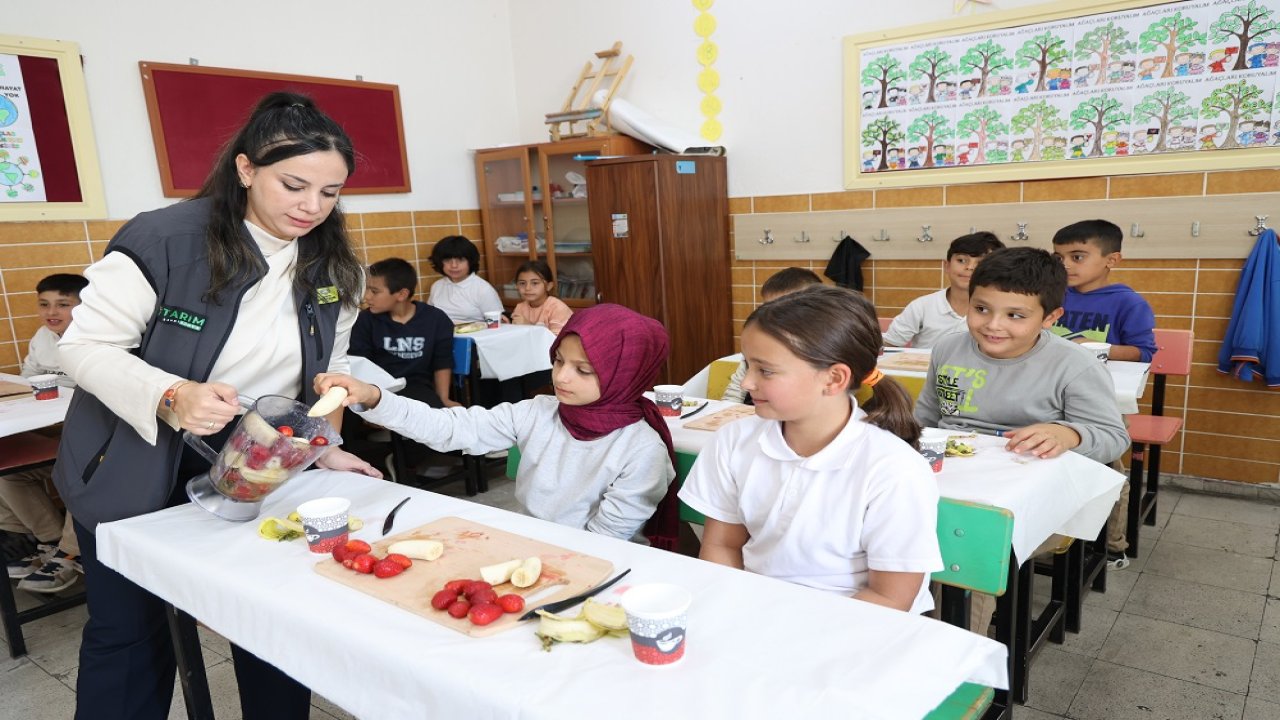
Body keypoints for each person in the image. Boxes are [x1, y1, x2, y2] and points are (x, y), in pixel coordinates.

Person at [52, 92, 380, 720]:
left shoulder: (332, 264)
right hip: (132, 458)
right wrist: (171, 394)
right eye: (294, 185)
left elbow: (326, 379)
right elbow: (85, 347)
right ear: (246, 168)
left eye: (331, 192)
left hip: (256, 461)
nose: (312, 207)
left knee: (271, 622)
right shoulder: (165, 239)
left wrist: (324, 447)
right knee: (131, 632)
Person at [316, 303, 680, 547]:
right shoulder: (538, 412)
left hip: (602, 562)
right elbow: (451, 427)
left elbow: (603, 542)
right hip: (530, 542)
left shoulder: (641, 449)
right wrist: (374, 396)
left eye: (583, 370)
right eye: (558, 361)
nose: (562, 377)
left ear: (625, 376)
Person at [679, 286, 942, 614]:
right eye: (748, 365)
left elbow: (890, 598)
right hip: (756, 609)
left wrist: (790, 629)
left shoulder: (894, 469)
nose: (746, 383)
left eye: (765, 370)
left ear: (833, 379)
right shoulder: (733, 440)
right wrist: (737, 612)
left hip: (856, 623)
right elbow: (722, 546)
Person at [913, 247, 1129, 630]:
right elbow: (925, 419)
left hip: (1033, 495)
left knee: (972, 541)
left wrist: (1069, 432)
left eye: (1015, 315)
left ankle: (957, 646)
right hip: (955, 481)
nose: (993, 325)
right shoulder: (948, 348)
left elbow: (1113, 438)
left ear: (1050, 318)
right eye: (981, 309)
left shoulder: (1074, 365)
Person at [3, 273, 87, 592]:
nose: (52, 312)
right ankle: (50, 543)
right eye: (44, 304)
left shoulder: (99, 338)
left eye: (63, 304)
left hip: (97, 433)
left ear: (86, 306)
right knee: (10, 474)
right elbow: (28, 379)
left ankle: (73, 552)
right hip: (57, 425)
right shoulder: (43, 336)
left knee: (80, 469)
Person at [351, 257, 458, 409]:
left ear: (402, 294)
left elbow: (442, 361)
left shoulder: (436, 319)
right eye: (367, 289)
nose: (367, 297)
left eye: (374, 291)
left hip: (418, 387)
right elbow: (360, 363)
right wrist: (368, 403)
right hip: (377, 389)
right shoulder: (364, 320)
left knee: (431, 413)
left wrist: (444, 399)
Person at [1049, 219, 1157, 362]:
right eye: (1059, 258)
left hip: (1102, 374)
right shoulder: (1050, 294)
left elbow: (1144, 353)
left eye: (1077, 257)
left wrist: (1095, 348)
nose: (1065, 265)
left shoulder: (1129, 303)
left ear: (1111, 260)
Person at [883, 231, 1004, 349]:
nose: (969, 267)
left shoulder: (1002, 311)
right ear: (947, 266)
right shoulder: (922, 306)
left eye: (980, 262)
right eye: (961, 260)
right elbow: (889, 345)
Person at [722, 268, 822, 403]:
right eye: (766, 309)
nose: (771, 318)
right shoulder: (757, 351)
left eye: (783, 311)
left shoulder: (823, 355)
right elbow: (733, 395)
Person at [427, 235, 503, 323]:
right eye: (447, 260)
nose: (454, 266)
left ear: (471, 261)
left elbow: (496, 322)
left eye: (460, 260)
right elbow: (429, 316)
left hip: (477, 332)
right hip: (442, 331)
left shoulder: (483, 289)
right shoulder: (437, 286)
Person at [510, 260, 573, 334]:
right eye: (522, 283)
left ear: (548, 286)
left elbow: (557, 339)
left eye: (535, 283)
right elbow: (517, 334)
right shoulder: (520, 308)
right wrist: (507, 325)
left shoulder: (558, 308)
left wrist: (528, 326)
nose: (527, 288)